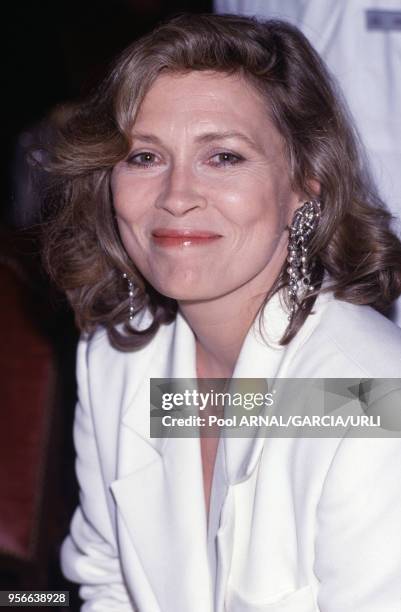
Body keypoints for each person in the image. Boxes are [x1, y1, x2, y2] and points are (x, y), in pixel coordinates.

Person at [40, 13, 401, 612]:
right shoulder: (118, 356)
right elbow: (106, 582)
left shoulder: (370, 397)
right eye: (144, 157)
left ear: (306, 185)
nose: (177, 196)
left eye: (224, 157)